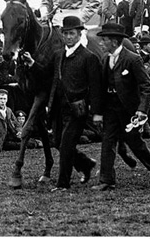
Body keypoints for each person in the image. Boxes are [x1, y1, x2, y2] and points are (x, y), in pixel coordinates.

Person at [93, 22, 150, 191]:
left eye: (104, 40)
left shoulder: (133, 59)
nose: (101, 43)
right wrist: (98, 111)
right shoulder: (105, 59)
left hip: (129, 110)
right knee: (107, 141)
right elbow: (101, 88)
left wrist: (141, 110)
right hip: (110, 108)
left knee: (134, 143)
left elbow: (147, 87)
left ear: (114, 42)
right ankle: (107, 180)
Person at [48, 16, 101, 191]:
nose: (68, 37)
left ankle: (63, 184)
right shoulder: (59, 55)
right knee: (56, 141)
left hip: (77, 109)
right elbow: (50, 76)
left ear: (79, 34)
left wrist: (95, 110)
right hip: (58, 107)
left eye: (72, 33)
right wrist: (32, 64)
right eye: (66, 33)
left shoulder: (89, 57)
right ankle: (85, 164)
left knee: (66, 145)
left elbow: (95, 86)